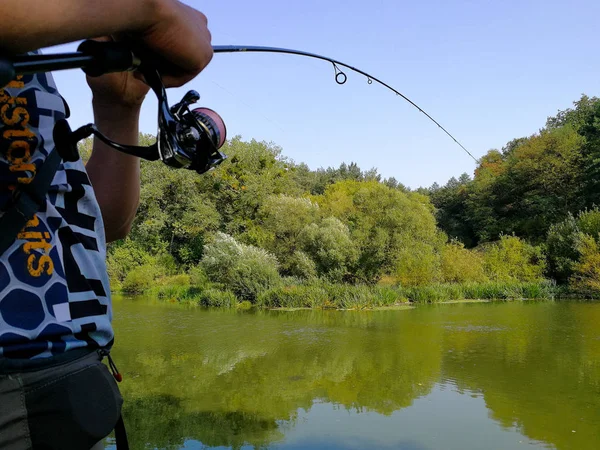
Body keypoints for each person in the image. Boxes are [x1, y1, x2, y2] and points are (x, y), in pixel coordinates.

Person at [0, 1, 214, 448]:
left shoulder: (32, 59)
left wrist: (118, 107)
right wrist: (151, 11)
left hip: (73, 385)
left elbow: (103, 226)